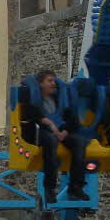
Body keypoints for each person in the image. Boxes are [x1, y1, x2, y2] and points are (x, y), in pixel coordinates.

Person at [23, 70, 88, 207]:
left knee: (79, 142)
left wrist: (65, 131)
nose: (53, 84)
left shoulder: (59, 98)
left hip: (60, 131)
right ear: (41, 84)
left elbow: (72, 118)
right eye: (49, 81)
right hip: (40, 132)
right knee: (51, 141)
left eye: (54, 81)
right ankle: (50, 188)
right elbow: (32, 115)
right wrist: (50, 125)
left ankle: (76, 186)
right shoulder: (33, 98)